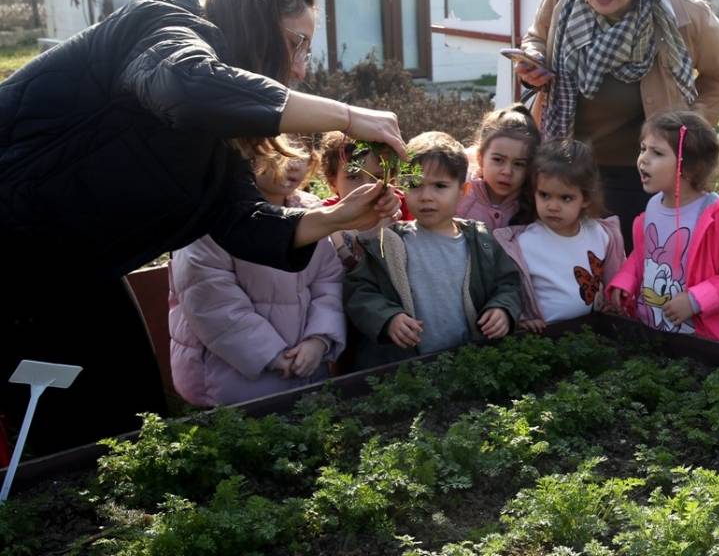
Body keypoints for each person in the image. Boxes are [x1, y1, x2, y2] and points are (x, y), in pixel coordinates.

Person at [0, 0, 402, 454]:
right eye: (296, 44)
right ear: (255, 27)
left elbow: (241, 223)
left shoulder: (218, 138)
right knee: (58, 440)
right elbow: (185, 86)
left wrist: (333, 218)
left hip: (71, 271)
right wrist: (348, 116)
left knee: (129, 415)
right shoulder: (162, 29)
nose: (299, 67)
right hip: (14, 264)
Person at [519, 0, 719, 246]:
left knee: (627, 267)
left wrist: (689, 128)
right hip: (566, 167)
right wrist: (534, 59)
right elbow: (536, 37)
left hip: (637, 178)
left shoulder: (679, 13)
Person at [169, 140, 345, 407]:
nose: (294, 163)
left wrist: (319, 339)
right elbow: (213, 302)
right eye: (279, 153)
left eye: (302, 154)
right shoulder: (210, 222)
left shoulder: (313, 213)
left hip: (307, 366)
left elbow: (328, 281)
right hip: (232, 376)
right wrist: (271, 354)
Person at [344, 132, 523, 370]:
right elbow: (359, 291)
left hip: (468, 365)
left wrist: (502, 309)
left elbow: (508, 284)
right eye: (415, 185)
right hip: (406, 370)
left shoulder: (481, 241)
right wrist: (387, 318)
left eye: (440, 186)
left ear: (463, 189)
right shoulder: (389, 243)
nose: (426, 196)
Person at [606, 111, 719, 349]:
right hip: (657, 334)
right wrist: (626, 280)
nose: (643, 159)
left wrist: (697, 299)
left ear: (690, 168)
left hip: (708, 345)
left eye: (657, 153)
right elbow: (644, 256)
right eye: (642, 148)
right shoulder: (651, 208)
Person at [493, 140, 626, 332]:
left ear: (586, 198)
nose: (553, 206)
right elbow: (510, 290)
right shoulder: (522, 244)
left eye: (565, 198)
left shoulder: (601, 234)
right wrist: (522, 318)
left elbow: (615, 278)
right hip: (546, 339)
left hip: (592, 334)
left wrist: (613, 304)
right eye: (545, 195)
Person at [318, 132, 415, 270]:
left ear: (392, 179)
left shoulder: (404, 208)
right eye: (353, 177)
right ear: (333, 182)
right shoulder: (324, 214)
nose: (366, 187)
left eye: (377, 177)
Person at [456, 104, 541, 230]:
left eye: (518, 164)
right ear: (480, 158)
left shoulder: (535, 206)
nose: (507, 172)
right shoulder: (459, 197)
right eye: (498, 160)